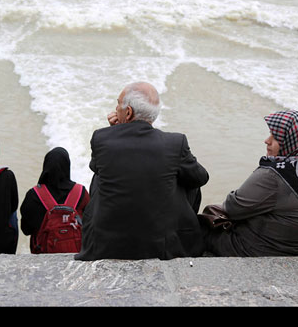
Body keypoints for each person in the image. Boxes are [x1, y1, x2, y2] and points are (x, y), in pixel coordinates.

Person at [74, 82, 210, 261]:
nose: (116, 108)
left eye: (118, 104)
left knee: (99, 176)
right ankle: (181, 228)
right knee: (187, 175)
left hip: (106, 245)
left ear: (128, 112)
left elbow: (97, 167)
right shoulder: (175, 143)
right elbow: (202, 177)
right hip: (161, 245)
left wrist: (114, 131)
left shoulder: (101, 138)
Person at [200, 110, 298, 257]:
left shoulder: (275, 175)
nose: (267, 141)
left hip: (278, 254)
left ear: (292, 141)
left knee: (201, 230)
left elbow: (233, 207)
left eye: (275, 137)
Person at [20, 147, 90, 253]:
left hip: (43, 255)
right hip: (75, 253)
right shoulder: (81, 192)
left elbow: (26, 230)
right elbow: (90, 224)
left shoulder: (34, 195)